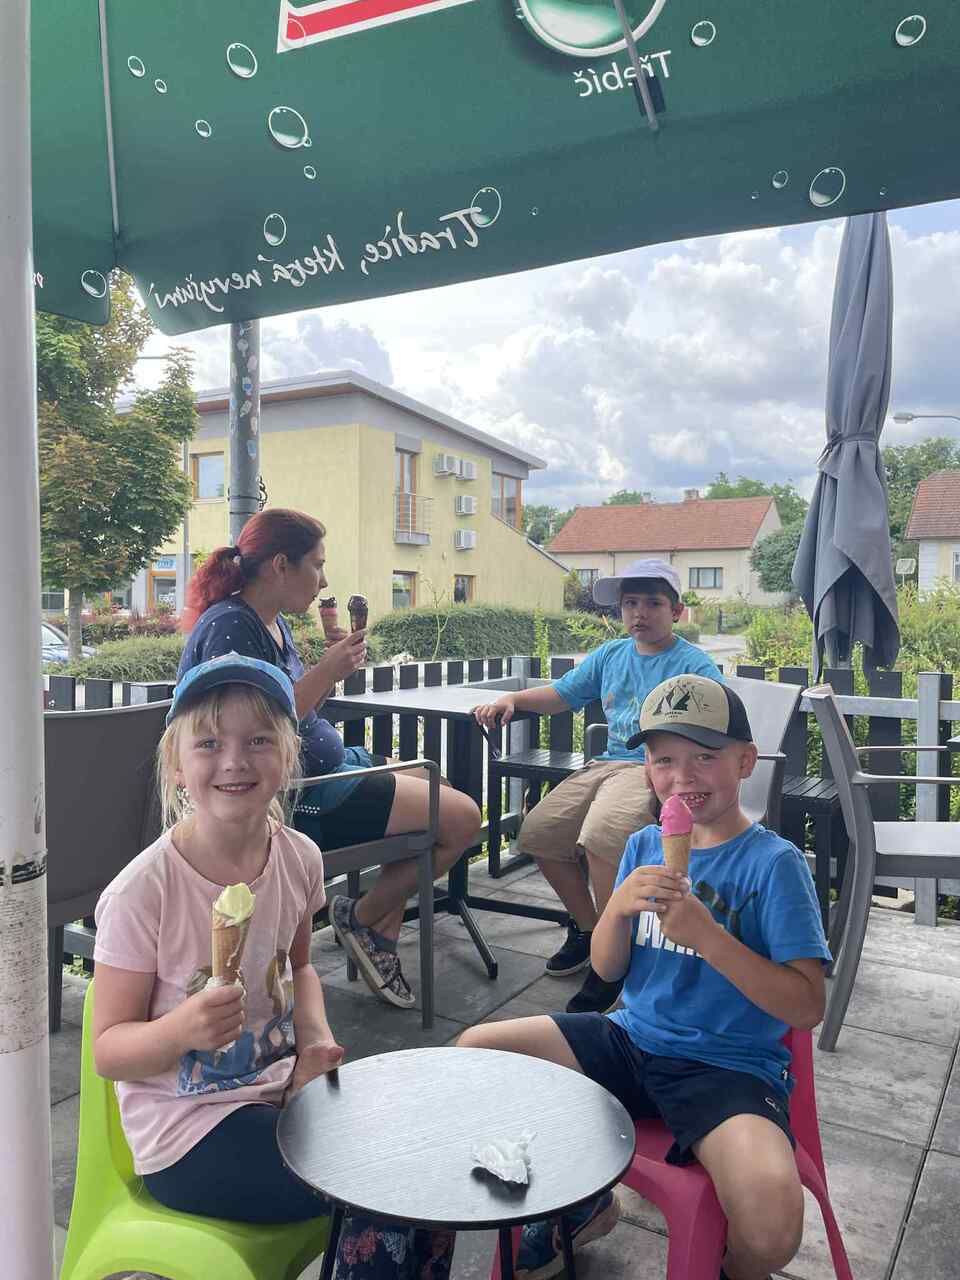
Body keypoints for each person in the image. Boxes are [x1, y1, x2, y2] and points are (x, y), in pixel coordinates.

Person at [92, 655, 454, 1280]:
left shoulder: (299, 859)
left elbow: (300, 968)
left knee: (428, 1153)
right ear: (177, 764)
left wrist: (314, 1043)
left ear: (288, 757)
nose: (235, 760)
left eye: (259, 740)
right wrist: (181, 1030)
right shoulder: (143, 892)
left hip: (282, 1092)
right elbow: (108, 1051)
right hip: (188, 1133)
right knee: (381, 1187)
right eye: (209, 743)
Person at [461, 674, 831, 1280]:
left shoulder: (774, 865)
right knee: (474, 1052)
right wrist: (616, 909)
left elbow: (807, 1005)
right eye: (664, 760)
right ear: (646, 770)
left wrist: (709, 938)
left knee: (771, 1231)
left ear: (745, 762)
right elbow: (608, 969)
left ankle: (725, 1267)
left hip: (726, 1067)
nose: (682, 777)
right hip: (631, 1040)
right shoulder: (642, 846)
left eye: (704, 757)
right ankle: (582, 1206)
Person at [179, 508, 481, 1010]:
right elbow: (248, 733)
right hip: (298, 796)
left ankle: (378, 928)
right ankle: (361, 919)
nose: (323, 581)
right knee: (462, 818)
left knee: (440, 787)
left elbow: (297, 710)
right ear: (281, 565)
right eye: (317, 565)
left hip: (327, 768)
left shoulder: (272, 623)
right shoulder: (230, 626)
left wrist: (329, 675)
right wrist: (325, 670)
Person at [473, 559, 722, 1015]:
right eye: (630, 603)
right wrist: (512, 698)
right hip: (604, 764)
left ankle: (616, 961)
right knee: (538, 832)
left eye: (653, 603)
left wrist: (671, 769)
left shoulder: (693, 665)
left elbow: (714, 724)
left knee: (603, 834)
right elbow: (561, 694)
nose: (639, 613)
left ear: (676, 611)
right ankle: (591, 931)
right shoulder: (611, 654)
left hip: (652, 769)